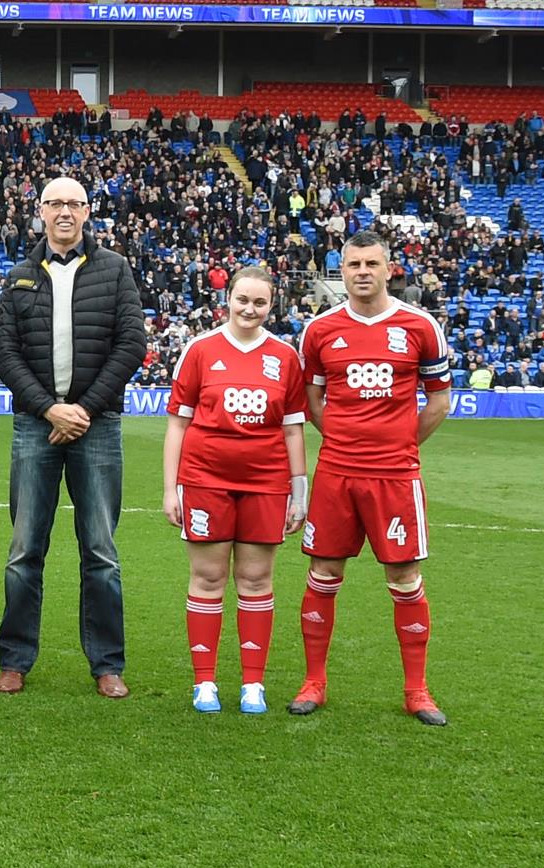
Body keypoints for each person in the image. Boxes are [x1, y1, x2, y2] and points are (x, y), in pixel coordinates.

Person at [0, 176, 145, 698]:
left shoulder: (115, 269)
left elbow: (131, 344)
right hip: (37, 426)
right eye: (54, 203)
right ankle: (14, 659)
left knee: (100, 551)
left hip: (96, 426)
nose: (64, 212)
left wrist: (82, 408)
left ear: (87, 211)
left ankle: (107, 665)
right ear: (40, 211)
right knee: (22, 550)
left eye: (74, 204)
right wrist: (50, 408)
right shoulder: (17, 277)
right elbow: (6, 355)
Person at [293, 230, 452, 726]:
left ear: (389, 269)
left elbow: (439, 400)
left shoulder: (419, 326)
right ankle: (313, 682)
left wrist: (399, 445)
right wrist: (340, 439)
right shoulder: (320, 331)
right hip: (336, 474)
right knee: (323, 574)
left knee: (404, 578)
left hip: (395, 477)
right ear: (341, 271)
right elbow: (311, 399)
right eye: (353, 264)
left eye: (371, 264)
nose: (362, 272)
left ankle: (417, 690)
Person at [161, 267, 308, 715]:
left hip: (266, 484)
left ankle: (252, 684)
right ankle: (204, 683)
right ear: (228, 299)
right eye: (243, 299)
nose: (250, 309)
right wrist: (172, 488)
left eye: (260, 302)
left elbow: (294, 431)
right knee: (208, 579)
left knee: (256, 580)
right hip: (205, 481)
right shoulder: (200, 350)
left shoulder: (284, 356)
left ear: (271, 306)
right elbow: (178, 424)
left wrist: (298, 492)